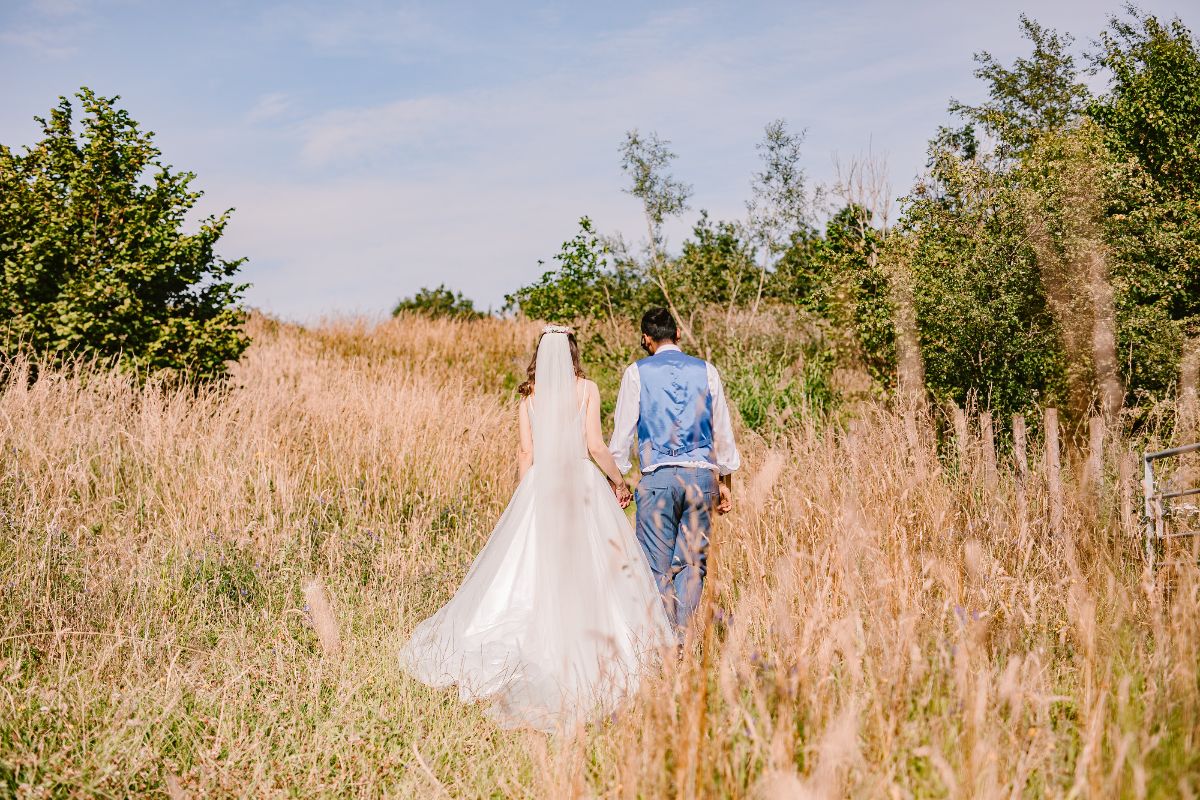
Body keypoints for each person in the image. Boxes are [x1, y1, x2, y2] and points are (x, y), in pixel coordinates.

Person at [399, 326, 675, 733]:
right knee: (593, 568)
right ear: (572, 353)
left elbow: (525, 452)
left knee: (531, 569)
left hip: (541, 483)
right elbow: (596, 444)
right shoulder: (587, 390)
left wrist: (523, 496)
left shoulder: (528, 398)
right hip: (580, 484)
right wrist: (618, 481)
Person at [609, 308, 741, 640]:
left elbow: (623, 433)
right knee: (693, 563)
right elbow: (722, 429)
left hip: (658, 478)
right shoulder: (706, 370)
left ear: (645, 339)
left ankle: (665, 638)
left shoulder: (636, 373)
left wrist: (619, 479)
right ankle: (682, 637)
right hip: (701, 478)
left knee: (656, 566)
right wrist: (725, 483)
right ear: (678, 333)